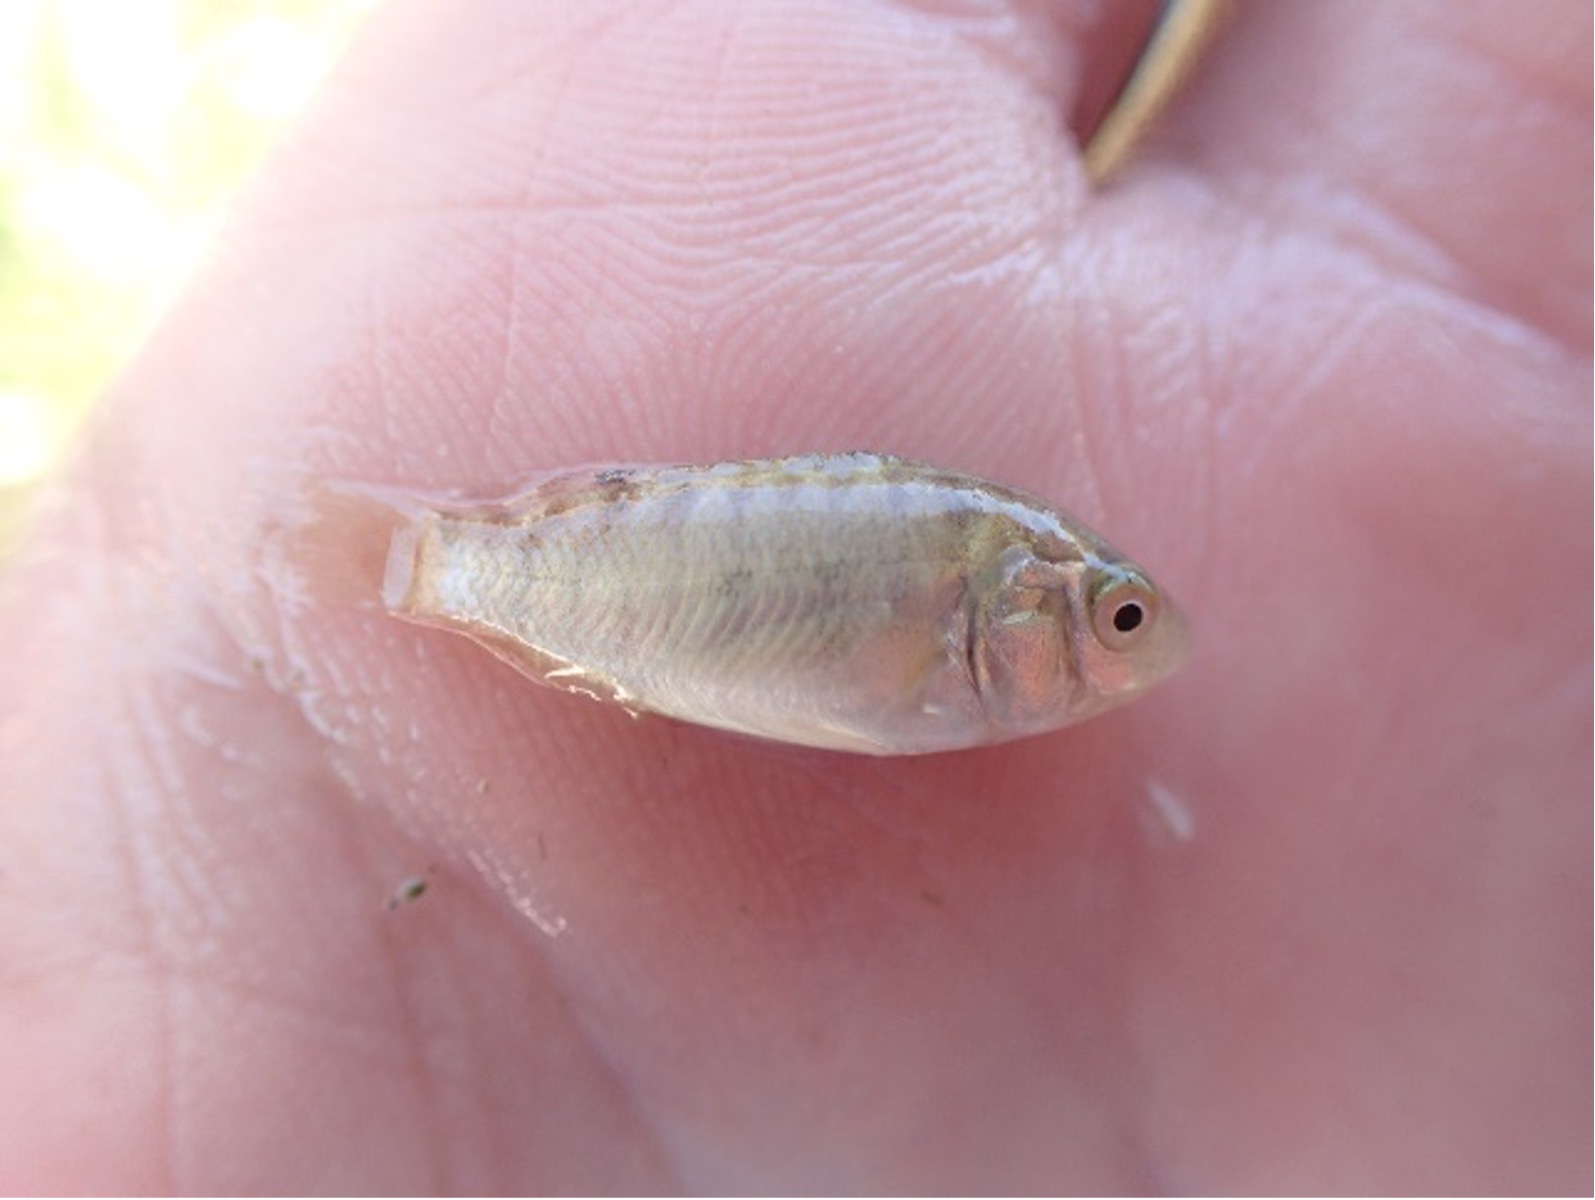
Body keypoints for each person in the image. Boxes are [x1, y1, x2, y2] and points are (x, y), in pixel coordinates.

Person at [0, 2, 1587, 1191]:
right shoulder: (967, 596)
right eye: (1108, 618)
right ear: (1026, 611)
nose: (1137, 646)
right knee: (469, 562)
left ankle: (426, 564)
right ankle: (424, 564)